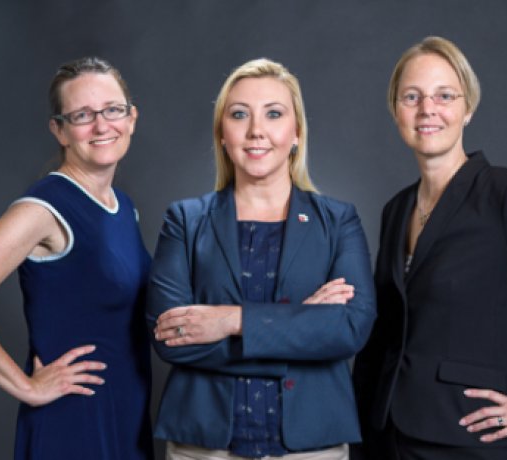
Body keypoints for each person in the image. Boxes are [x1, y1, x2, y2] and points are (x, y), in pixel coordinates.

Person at [352, 36, 507, 459]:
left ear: (467, 108)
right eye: (411, 96)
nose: (427, 108)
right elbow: (385, 336)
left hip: (470, 444)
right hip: (387, 440)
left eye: (444, 95)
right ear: (395, 110)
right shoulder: (396, 209)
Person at [147, 58, 376, 460]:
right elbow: (171, 338)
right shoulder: (185, 220)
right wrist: (301, 327)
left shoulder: (338, 221)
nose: (256, 130)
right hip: (202, 449)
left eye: (273, 113)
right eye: (239, 115)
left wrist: (231, 321)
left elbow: (350, 329)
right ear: (222, 133)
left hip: (312, 449)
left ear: (296, 133)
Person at [0, 57, 154, 459]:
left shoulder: (124, 207)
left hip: (126, 413)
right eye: (83, 115)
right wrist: (27, 386)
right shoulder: (46, 207)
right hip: (75, 421)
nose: (102, 126)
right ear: (60, 130)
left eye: (113, 110)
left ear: (132, 118)